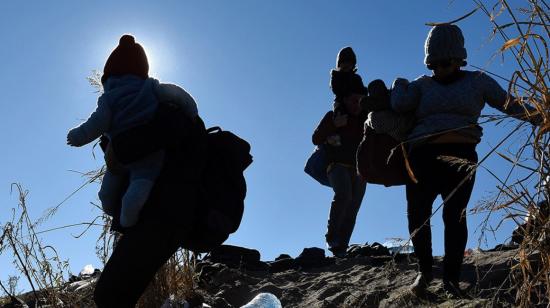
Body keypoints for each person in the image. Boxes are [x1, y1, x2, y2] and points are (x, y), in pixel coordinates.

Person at [390, 24, 540, 296]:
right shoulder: (420, 85)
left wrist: (540, 117)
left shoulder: (478, 82)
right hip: (421, 157)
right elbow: (399, 104)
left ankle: (451, 279)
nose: (440, 69)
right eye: (434, 63)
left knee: (454, 216)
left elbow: (509, 104)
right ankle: (424, 272)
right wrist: (399, 84)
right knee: (418, 216)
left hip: (461, 158)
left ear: (459, 59)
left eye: (445, 62)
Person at [67, 34, 202, 307]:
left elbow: (106, 133)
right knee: (114, 292)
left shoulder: (166, 112)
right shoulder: (157, 97)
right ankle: (125, 213)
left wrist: (108, 147)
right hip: (158, 216)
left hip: (162, 216)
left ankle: (126, 213)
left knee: (110, 295)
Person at [67, 34, 198, 228]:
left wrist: (77, 136)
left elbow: (98, 122)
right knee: (142, 182)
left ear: (108, 76)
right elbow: (177, 94)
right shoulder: (151, 86)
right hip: (151, 152)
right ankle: (129, 214)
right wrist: (192, 112)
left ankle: (112, 209)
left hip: (121, 154)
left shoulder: (109, 98)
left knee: (107, 193)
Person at [312, 47, 368, 257]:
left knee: (354, 205)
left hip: (359, 166)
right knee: (343, 196)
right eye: (353, 100)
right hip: (336, 163)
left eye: (359, 101)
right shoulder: (335, 113)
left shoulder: (364, 121)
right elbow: (315, 138)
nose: (356, 104)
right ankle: (332, 238)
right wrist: (334, 126)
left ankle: (341, 247)